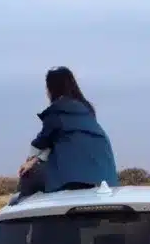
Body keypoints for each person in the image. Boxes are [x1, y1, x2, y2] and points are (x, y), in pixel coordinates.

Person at [9, 66, 118, 205]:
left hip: (74, 175)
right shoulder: (86, 109)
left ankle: (15, 213)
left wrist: (30, 161)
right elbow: (64, 142)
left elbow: (42, 142)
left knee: (29, 175)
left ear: (52, 88)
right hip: (105, 176)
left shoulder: (57, 110)